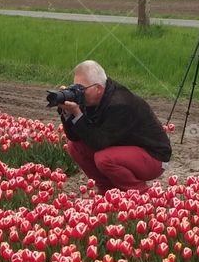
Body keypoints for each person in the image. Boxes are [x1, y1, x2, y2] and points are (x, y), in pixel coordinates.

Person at [56, 61, 172, 194]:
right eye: (74, 87)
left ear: (98, 88)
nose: (77, 92)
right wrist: (68, 113)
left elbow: (99, 143)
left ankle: (139, 193)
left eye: (81, 89)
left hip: (154, 157)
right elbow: (74, 136)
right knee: (74, 147)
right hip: (125, 149)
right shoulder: (91, 98)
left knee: (104, 158)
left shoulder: (120, 104)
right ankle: (107, 191)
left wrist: (77, 113)